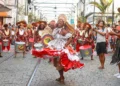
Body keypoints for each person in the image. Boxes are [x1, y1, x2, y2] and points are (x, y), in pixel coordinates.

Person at [32, 14, 84, 84]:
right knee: (56, 63)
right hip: (55, 46)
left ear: (63, 23)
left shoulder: (64, 30)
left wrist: (66, 45)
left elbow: (70, 38)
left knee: (60, 62)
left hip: (61, 47)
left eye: (60, 22)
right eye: (58, 21)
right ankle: (61, 76)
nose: (58, 22)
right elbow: (52, 36)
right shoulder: (56, 29)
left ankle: (62, 77)